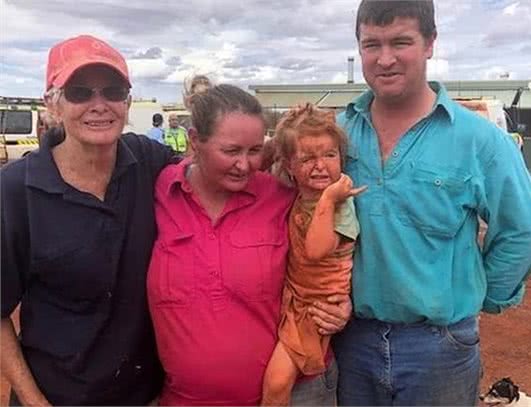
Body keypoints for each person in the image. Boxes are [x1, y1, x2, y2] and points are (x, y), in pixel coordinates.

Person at [332, 1, 531, 406]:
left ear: (430, 43)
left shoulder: (478, 139)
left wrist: (482, 296)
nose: (385, 59)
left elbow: (526, 230)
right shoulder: (338, 135)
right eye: (370, 45)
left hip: (439, 348)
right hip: (350, 341)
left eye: (401, 42)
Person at [147, 79, 352, 406]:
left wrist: (340, 302)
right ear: (195, 141)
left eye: (255, 150)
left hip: (297, 392)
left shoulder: (284, 197)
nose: (244, 164)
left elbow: (333, 255)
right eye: (230, 151)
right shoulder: (162, 190)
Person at [1, 34, 175, 405]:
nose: (99, 105)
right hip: (55, 397)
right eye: (80, 92)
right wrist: (35, 403)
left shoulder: (149, 162)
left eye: (112, 91)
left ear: (127, 103)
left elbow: (216, 174)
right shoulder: (16, 191)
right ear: (53, 103)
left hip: (143, 396)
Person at [260, 104, 365, 406]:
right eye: (307, 158)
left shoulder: (339, 204)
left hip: (316, 307)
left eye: (330, 155)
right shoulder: (302, 194)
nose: (320, 166)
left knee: (277, 382)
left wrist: (329, 199)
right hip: (296, 297)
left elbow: (317, 250)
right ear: (289, 165)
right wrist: (287, 128)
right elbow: (263, 162)